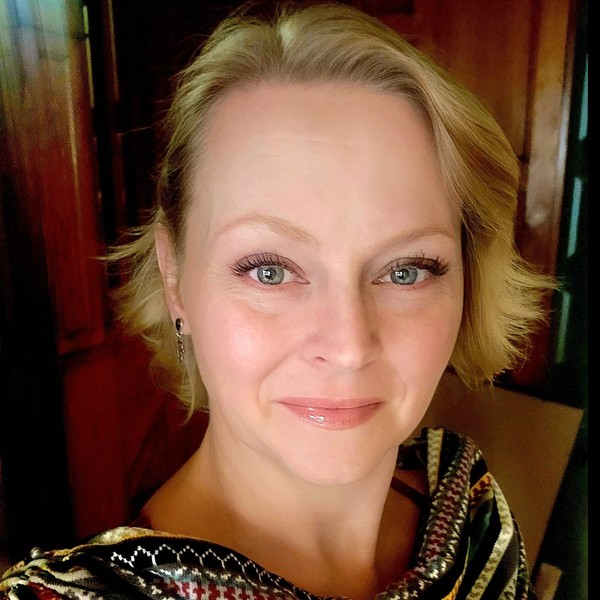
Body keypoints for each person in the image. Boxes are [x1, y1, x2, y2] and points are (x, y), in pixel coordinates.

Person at [1, 2, 555, 598]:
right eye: (269, 271)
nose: (348, 345)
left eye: (405, 271)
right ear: (175, 276)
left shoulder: (472, 515)